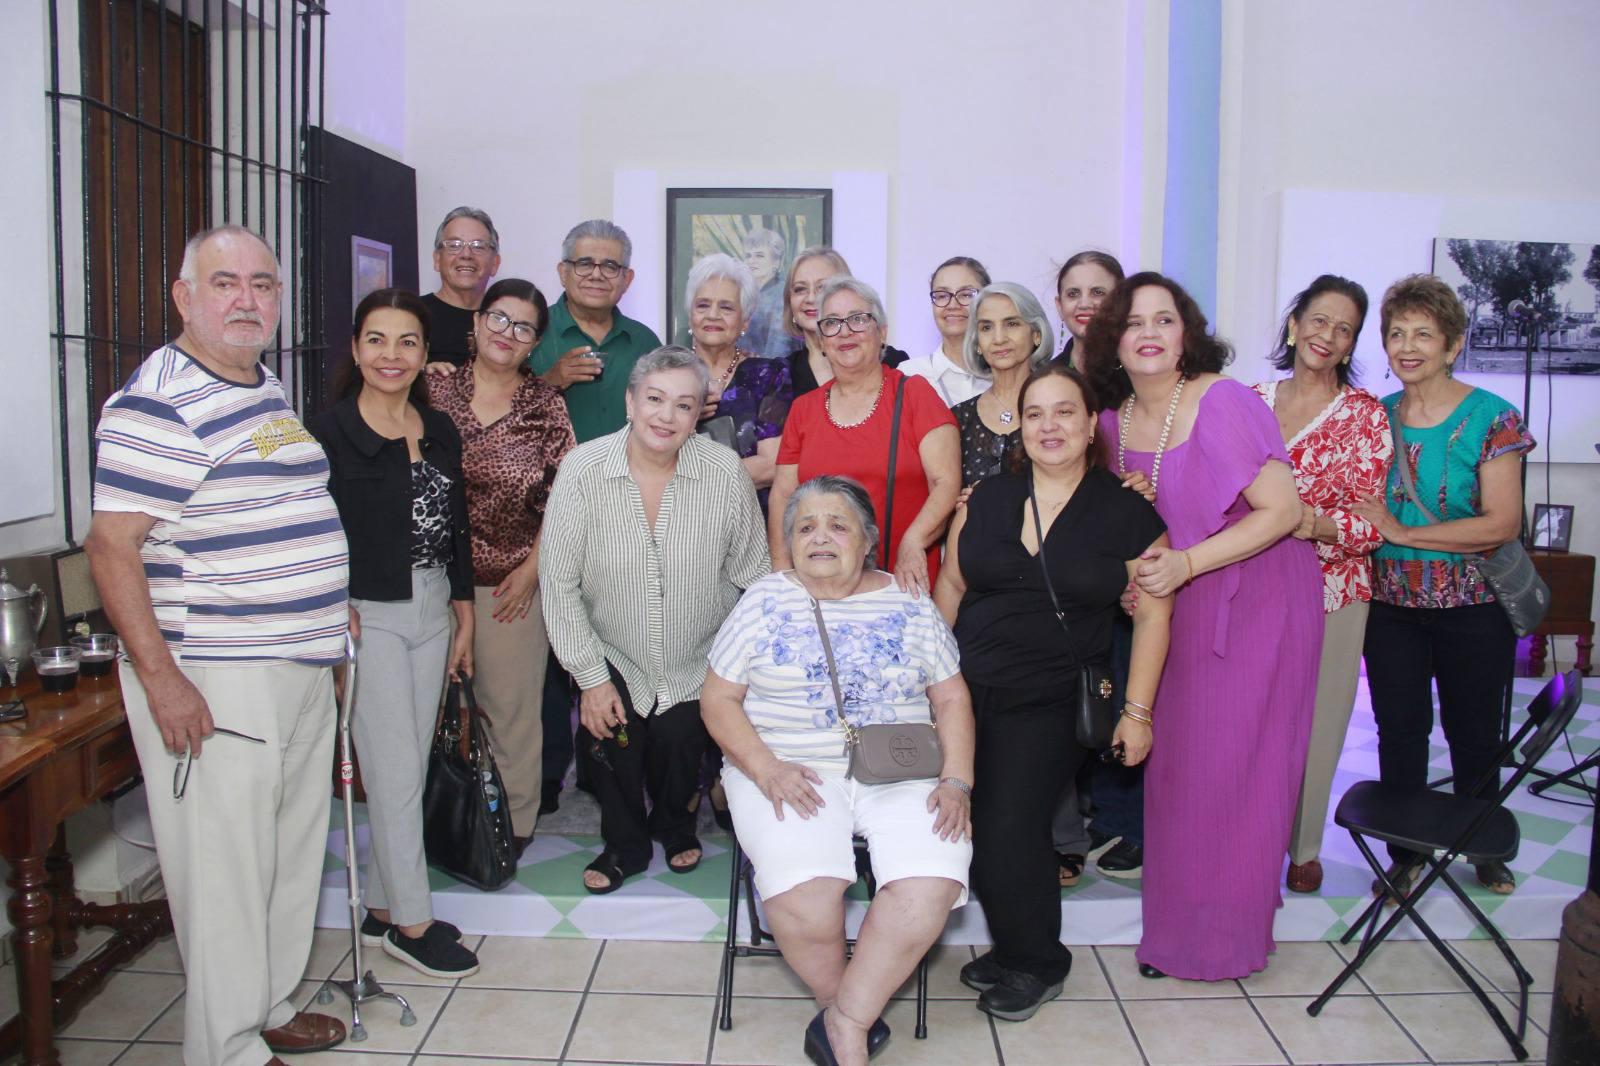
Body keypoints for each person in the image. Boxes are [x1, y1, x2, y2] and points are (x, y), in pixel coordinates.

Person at [85, 225, 351, 1064]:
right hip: (217, 674)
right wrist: (162, 680)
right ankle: (227, 1047)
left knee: (288, 852)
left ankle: (269, 1005)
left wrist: (326, 602)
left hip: (295, 663)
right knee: (226, 871)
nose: (247, 300)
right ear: (184, 295)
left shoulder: (260, 382)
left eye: (262, 285)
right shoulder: (155, 404)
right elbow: (111, 547)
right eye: (225, 283)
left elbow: (274, 501)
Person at [1083, 271, 1323, 981]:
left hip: (1260, 604)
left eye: (1164, 319)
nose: (1149, 333)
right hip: (1175, 613)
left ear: (1187, 334)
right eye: (1133, 322)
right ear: (1112, 340)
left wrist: (1186, 564)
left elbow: (1282, 512)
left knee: (1238, 774)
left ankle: (1228, 941)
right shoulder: (1110, 423)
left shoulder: (1223, 400)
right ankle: (1177, 933)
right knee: (1179, 775)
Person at [703, 475, 974, 1065]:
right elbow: (717, 701)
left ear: (868, 540)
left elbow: (952, 697)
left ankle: (846, 1020)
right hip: (786, 768)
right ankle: (845, 1007)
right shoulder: (762, 601)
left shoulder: (908, 600)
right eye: (805, 527)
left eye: (837, 525)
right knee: (805, 889)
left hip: (900, 769)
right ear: (789, 542)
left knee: (930, 878)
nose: (820, 537)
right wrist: (766, 770)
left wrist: (956, 781)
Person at [935, 363, 1169, 1020]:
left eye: (1065, 411)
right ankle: (1014, 945)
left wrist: (1138, 713)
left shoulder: (1126, 511)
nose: (1049, 426)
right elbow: (950, 587)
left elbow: (1155, 614)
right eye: (1035, 414)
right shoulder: (987, 498)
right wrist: (928, 683)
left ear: (1092, 424)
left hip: (1054, 697)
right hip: (966, 691)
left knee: (1010, 823)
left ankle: (1039, 961)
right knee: (980, 822)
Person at [541, 346, 770, 893]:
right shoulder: (582, 469)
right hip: (611, 648)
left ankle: (674, 824)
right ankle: (625, 845)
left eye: (683, 405)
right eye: (655, 399)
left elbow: (754, 574)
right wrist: (591, 678)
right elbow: (559, 583)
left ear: (698, 415)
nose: (666, 416)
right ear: (630, 402)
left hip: (699, 652)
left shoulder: (723, 472)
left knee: (678, 746)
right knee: (613, 743)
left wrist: (742, 666)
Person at [308, 288, 479, 977]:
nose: (392, 354)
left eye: (408, 341)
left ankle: (382, 907)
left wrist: (463, 606)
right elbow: (310, 530)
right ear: (355, 349)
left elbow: (456, 522)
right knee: (394, 769)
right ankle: (413, 924)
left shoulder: (437, 427)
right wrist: (331, 607)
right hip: (365, 610)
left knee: (405, 763)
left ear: (425, 353)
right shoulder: (326, 432)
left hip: (433, 604)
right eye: (376, 339)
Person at [1351, 274, 1534, 897]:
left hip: (1473, 608)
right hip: (1390, 606)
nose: (1408, 346)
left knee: (1475, 733)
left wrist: (1404, 531)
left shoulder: (1492, 417)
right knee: (1400, 733)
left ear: (1453, 345)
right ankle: (1405, 854)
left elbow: (1501, 524)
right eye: (1397, 333)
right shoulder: (1374, 418)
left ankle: (1482, 845)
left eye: (1424, 334)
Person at [1249, 275, 1393, 895]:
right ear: (1293, 324)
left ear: (1352, 343)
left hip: (1333, 589)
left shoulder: (1365, 416)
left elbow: (1372, 526)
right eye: (1318, 320)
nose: (1327, 336)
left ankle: (1304, 846)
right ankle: (1251, 836)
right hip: (1249, 585)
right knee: (1253, 718)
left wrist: (1308, 522)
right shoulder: (1248, 402)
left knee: (1320, 721)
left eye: (1344, 329)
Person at [429, 278, 576, 851]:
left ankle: (510, 828)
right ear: (476, 322)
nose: (506, 333)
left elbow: (566, 497)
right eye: (497, 317)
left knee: (511, 714)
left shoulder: (545, 405)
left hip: (510, 585)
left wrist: (533, 569)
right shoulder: (431, 390)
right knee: (432, 711)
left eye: (523, 327)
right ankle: (435, 822)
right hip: (432, 582)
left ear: (534, 343)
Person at [770, 277, 961, 597]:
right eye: (832, 323)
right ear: (821, 341)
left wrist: (914, 540)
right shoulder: (804, 409)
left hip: (901, 585)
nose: (845, 332)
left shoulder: (915, 395)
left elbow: (946, 483)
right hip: (820, 589)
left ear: (882, 332)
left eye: (858, 319)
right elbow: (782, 497)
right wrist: (783, 576)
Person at [529, 219, 663, 443]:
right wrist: (547, 383)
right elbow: (496, 411)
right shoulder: (530, 330)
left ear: (627, 280)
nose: (596, 275)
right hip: (551, 465)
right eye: (584, 264)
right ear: (563, 273)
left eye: (610, 266)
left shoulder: (645, 341)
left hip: (631, 465)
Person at [686, 253, 793, 494]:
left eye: (726, 307)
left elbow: (770, 466)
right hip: (678, 514)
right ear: (690, 315)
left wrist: (696, 483)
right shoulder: (666, 374)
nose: (713, 315)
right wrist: (685, 414)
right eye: (703, 305)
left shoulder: (770, 376)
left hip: (749, 511)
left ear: (745, 321)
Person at [949, 282, 1056, 486]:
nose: (998, 339)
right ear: (977, 343)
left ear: (1036, 334)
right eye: (986, 328)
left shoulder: (1061, 408)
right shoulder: (958, 418)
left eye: (1012, 324)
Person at [781, 246, 909, 397]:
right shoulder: (781, 376)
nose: (811, 298)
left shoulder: (895, 363)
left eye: (822, 287)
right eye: (800, 289)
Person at [899, 256, 993, 406]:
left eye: (966, 294)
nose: (953, 305)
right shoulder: (909, 374)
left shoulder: (1006, 373)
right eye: (942, 296)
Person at [421, 206, 501, 369]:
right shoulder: (412, 315)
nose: (466, 254)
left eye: (478, 246)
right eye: (454, 245)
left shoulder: (506, 324)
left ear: (495, 263)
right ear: (437, 259)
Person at [1053, 250, 1124, 370]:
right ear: (1060, 306)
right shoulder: (1046, 378)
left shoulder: (1140, 371)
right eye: (1073, 294)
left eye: (1098, 292)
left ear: (1121, 302)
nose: (1084, 304)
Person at [739, 226, 790, 359]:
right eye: (748, 255)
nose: (751, 261)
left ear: (776, 262)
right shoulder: (745, 293)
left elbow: (779, 349)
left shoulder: (782, 295)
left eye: (759, 255)